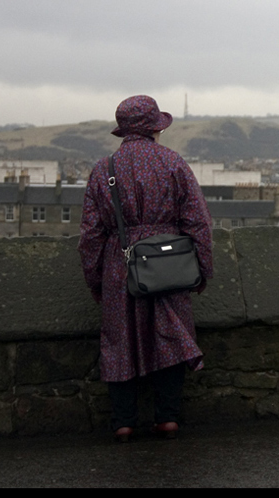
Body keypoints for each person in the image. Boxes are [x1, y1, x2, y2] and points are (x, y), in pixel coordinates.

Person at [79, 95, 213, 442]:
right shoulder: (174, 163)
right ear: (156, 127)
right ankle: (166, 417)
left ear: (123, 130)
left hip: (119, 264)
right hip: (170, 262)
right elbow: (198, 222)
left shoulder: (103, 169)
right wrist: (203, 269)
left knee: (119, 341)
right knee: (171, 335)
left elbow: (91, 235)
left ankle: (123, 421)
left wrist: (96, 279)